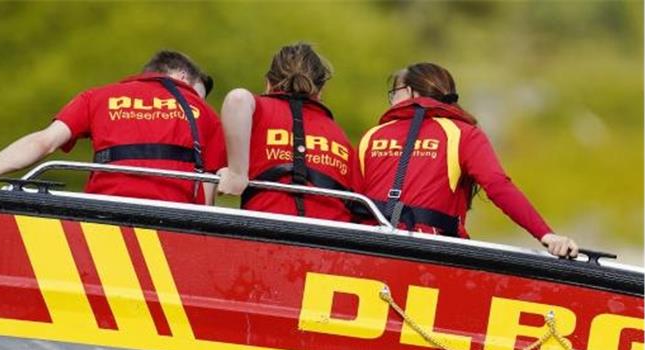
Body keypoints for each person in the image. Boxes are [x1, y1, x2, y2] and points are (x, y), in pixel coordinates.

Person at [0, 51, 225, 205]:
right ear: (181, 75)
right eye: (195, 91)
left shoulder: (97, 97)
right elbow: (207, 193)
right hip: (171, 226)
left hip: (100, 217)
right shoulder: (205, 113)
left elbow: (43, 143)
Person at [357, 62, 579, 258]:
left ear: (410, 92)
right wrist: (545, 234)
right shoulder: (464, 134)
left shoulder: (372, 136)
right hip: (432, 251)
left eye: (393, 92)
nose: (391, 100)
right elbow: (498, 186)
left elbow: (352, 201)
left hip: (368, 247)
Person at [216, 43, 357, 220]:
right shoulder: (340, 135)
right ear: (321, 91)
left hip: (268, 230)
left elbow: (238, 98)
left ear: (268, 83)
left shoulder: (257, 114)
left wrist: (237, 174)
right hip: (331, 239)